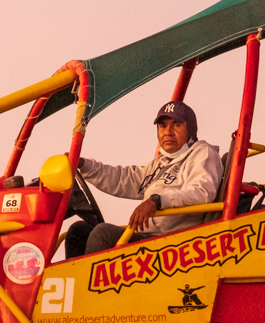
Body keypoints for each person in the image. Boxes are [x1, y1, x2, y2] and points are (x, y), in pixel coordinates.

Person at [66, 100, 224, 258]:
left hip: (173, 244)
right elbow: (125, 179)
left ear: (190, 130)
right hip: (147, 239)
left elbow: (201, 192)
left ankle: (87, 283)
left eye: (176, 125)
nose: (168, 132)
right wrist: (84, 165)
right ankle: (66, 281)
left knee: (103, 233)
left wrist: (157, 200)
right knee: (78, 231)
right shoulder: (160, 164)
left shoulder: (202, 153)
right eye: (162, 126)